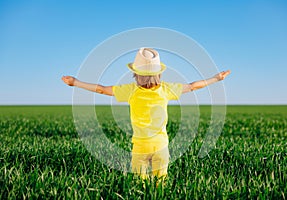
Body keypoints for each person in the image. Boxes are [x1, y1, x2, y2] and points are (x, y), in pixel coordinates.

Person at [62, 47, 230, 179]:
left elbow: (101, 90)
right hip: (161, 147)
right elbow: (193, 86)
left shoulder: (130, 90)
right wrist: (216, 78)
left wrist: (76, 82)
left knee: (139, 187)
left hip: (140, 147)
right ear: (159, 74)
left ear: (135, 73)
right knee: (160, 186)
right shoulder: (166, 89)